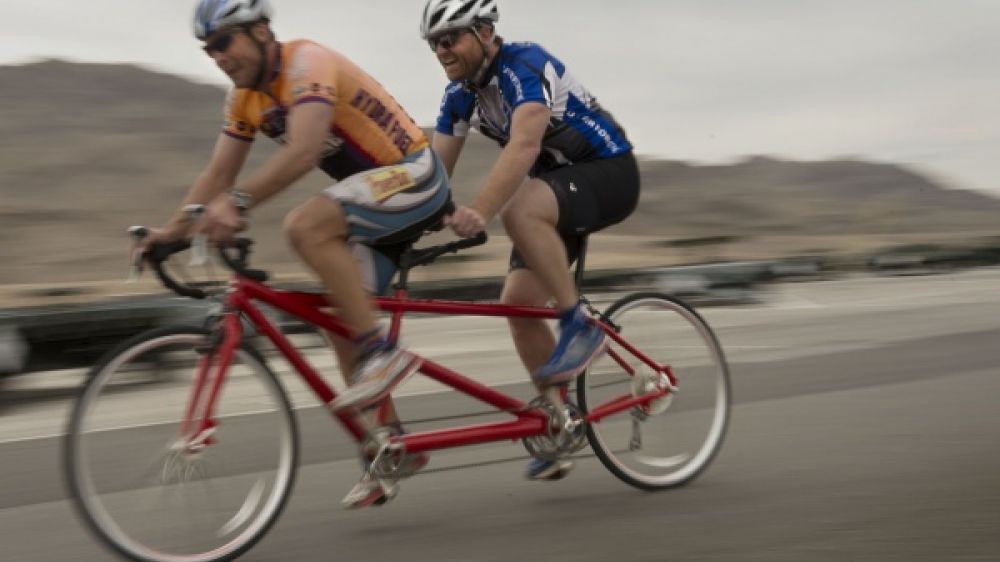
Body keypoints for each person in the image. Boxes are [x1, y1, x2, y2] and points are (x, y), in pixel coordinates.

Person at [139, 0, 450, 508]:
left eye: (224, 42)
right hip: (370, 202)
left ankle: (382, 355)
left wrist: (239, 203)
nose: (217, 56)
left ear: (261, 31)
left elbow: (304, 151)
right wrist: (170, 232)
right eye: (209, 48)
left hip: (415, 177)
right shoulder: (243, 99)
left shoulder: (307, 63)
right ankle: (392, 445)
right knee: (336, 318)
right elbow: (218, 175)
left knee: (304, 226)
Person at [422, 0, 641, 480]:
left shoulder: (524, 63)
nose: (441, 50)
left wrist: (479, 210)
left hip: (608, 171)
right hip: (556, 192)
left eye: (451, 38)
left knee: (518, 207)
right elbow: (434, 172)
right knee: (518, 305)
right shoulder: (459, 95)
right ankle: (560, 422)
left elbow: (524, 145)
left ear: (483, 32)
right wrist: (411, 223)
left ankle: (578, 325)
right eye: (434, 43)